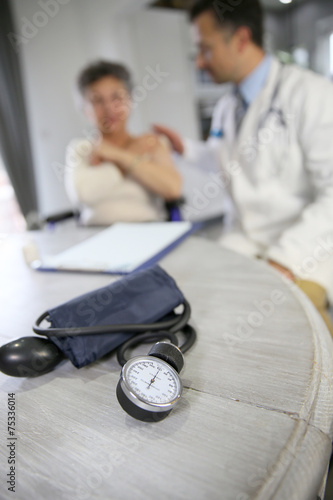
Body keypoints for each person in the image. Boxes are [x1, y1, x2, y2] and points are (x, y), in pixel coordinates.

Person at [154, 0, 333, 335]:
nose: (200, 61)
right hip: (245, 241)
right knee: (199, 310)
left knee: (301, 333)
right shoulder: (227, 106)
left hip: (306, 248)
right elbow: (228, 162)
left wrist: (285, 259)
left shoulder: (312, 95)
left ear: (240, 39)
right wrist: (184, 149)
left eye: (205, 49)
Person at [65, 60, 182, 225]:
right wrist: (132, 157)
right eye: (97, 100)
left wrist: (116, 155)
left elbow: (172, 189)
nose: (109, 108)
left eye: (116, 97)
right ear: (84, 108)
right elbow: (82, 195)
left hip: (149, 232)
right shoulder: (81, 149)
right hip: (96, 236)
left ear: (130, 101)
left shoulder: (151, 143)